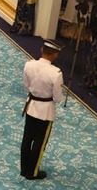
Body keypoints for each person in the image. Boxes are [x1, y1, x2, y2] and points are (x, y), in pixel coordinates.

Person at [20, 40, 64, 180]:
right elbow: (57, 98)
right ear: (54, 55)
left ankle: (24, 168)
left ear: (41, 50)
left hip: (31, 106)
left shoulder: (29, 65)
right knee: (40, 141)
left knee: (27, 138)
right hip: (45, 111)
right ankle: (32, 172)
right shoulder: (55, 73)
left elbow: (26, 85)